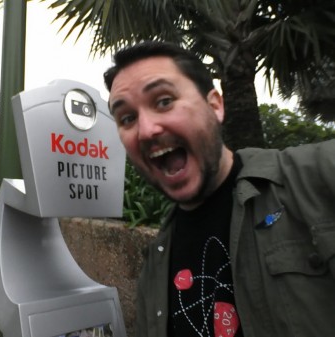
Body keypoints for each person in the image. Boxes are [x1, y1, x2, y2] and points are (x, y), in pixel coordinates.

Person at [103, 41, 335, 337]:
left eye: (164, 101)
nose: (146, 129)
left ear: (215, 105)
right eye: (127, 118)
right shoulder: (154, 264)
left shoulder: (313, 176)